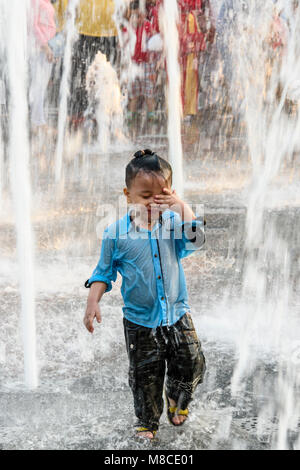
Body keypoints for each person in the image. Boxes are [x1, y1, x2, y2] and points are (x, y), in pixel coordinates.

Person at [83, 149, 206, 440]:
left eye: (160, 196)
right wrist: (93, 301)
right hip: (139, 322)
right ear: (128, 195)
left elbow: (198, 239)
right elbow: (103, 272)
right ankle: (147, 422)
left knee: (191, 362)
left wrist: (182, 206)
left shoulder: (174, 225)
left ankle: (178, 396)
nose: (152, 203)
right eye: (144, 196)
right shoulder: (115, 234)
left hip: (177, 314)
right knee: (145, 377)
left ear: (170, 195)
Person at [55, 0, 118, 129]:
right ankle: (78, 114)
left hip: (107, 29)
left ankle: (103, 112)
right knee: (79, 74)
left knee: (104, 76)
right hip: (86, 28)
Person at [123, 1, 157, 123]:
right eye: (133, 16)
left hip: (147, 64)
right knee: (134, 93)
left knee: (149, 92)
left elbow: (155, 43)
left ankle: (152, 115)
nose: (136, 19)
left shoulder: (148, 26)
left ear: (144, 14)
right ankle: (131, 115)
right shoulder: (127, 28)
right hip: (133, 64)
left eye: (139, 16)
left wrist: (156, 63)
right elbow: (123, 46)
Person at [29, 0, 57, 133]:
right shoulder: (34, 1)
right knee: (38, 85)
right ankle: (37, 122)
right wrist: (45, 46)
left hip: (48, 49)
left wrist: (53, 48)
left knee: (41, 86)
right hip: (39, 48)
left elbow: (49, 25)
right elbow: (33, 25)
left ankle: (38, 120)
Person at [179, 0, 206, 119]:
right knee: (183, 75)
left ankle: (189, 109)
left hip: (190, 24)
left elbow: (198, 11)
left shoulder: (191, 14)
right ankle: (182, 109)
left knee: (190, 75)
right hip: (181, 23)